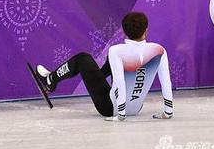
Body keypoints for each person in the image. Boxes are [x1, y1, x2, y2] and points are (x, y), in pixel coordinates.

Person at [31, 12, 173, 121]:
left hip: (109, 108)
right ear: (146, 30)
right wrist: (168, 112)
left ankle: (50, 80)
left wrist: (121, 114)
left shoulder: (117, 50)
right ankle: (89, 77)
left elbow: (119, 83)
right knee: (115, 63)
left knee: (83, 58)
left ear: (124, 31)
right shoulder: (159, 50)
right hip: (136, 108)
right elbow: (166, 82)